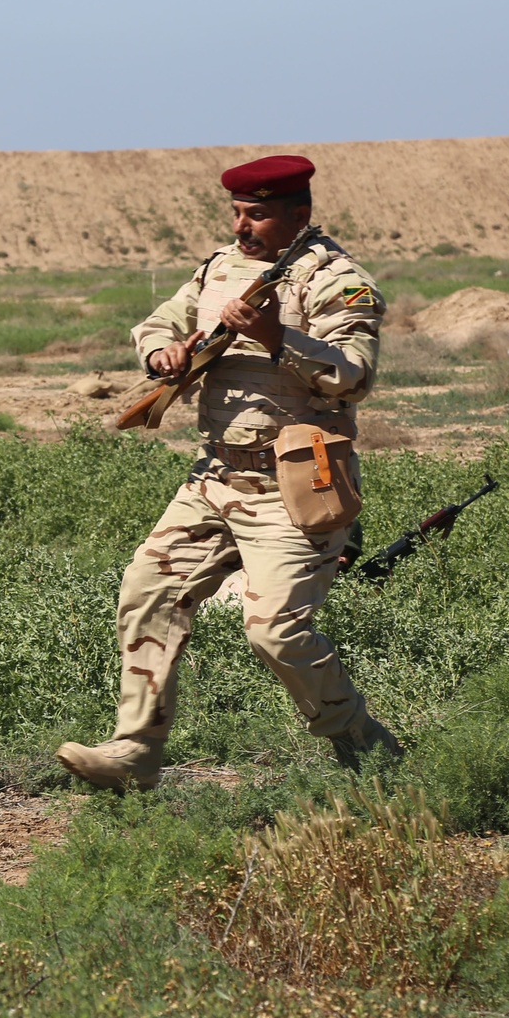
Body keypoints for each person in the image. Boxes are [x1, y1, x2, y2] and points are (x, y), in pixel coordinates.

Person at [58, 155, 401, 790]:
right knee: (147, 593)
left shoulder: (335, 280)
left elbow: (354, 376)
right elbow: (164, 318)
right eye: (238, 214)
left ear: (299, 215)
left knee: (275, 632)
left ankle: (369, 751)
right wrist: (160, 349)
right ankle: (135, 752)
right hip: (214, 479)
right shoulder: (220, 268)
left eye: (259, 215)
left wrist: (278, 338)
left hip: (295, 488)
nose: (243, 227)